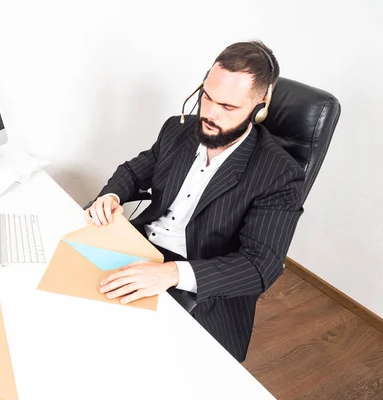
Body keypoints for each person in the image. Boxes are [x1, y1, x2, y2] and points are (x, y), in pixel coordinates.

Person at [85, 40, 305, 362]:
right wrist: (111, 195)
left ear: (260, 106)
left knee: (125, 355)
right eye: (207, 97)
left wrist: (170, 273)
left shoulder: (280, 174)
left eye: (228, 107)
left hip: (200, 282)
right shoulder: (180, 129)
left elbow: (260, 266)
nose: (210, 114)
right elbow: (134, 171)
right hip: (140, 249)